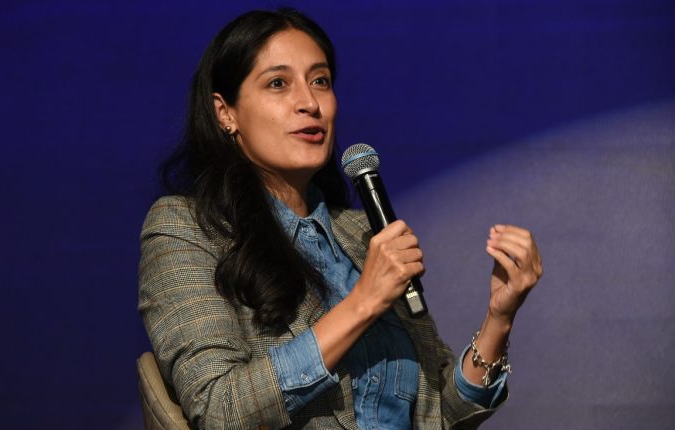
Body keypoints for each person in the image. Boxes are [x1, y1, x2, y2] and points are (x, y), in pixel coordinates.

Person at [138, 8, 542, 430]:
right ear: (226, 113)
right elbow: (218, 410)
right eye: (278, 83)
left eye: (320, 81)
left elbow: (435, 417)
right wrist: (363, 301)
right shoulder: (186, 228)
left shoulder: (361, 234)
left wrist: (499, 319)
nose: (310, 103)